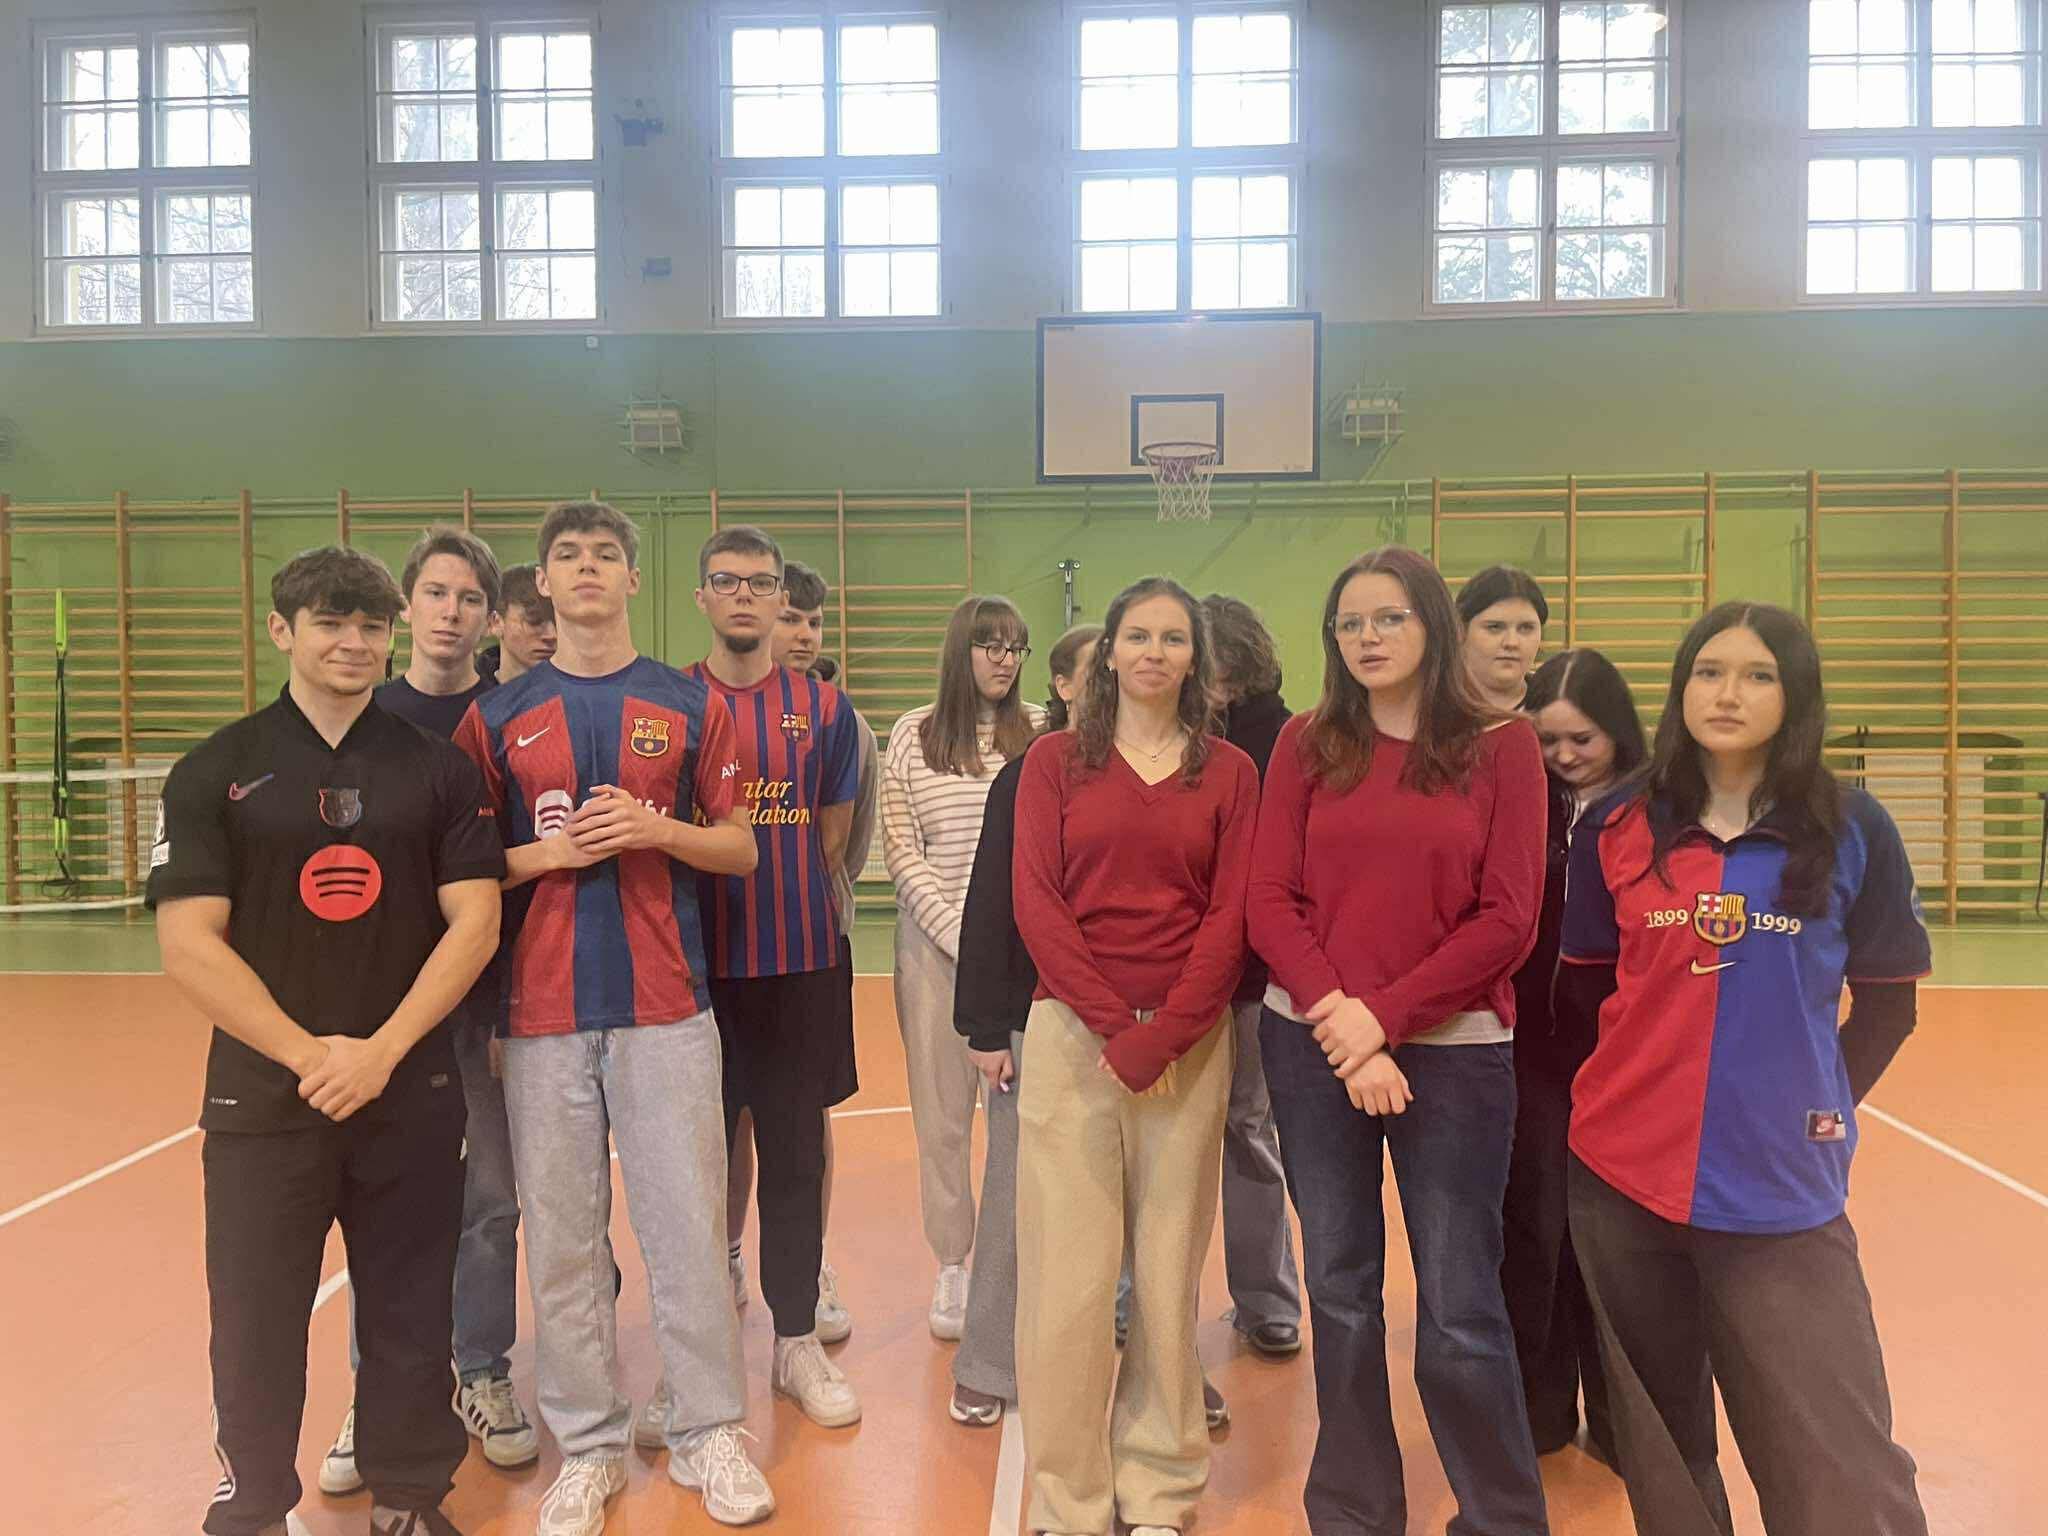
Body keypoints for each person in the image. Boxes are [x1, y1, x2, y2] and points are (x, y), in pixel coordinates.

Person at [150, 545, 505, 1536]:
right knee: (256, 1315)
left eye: (369, 626)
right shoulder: (215, 770)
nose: (353, 643)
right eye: (330, 623)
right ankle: (255, 1502)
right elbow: (188, 942)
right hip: (265, 1100)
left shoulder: (437, 769)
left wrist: (380, 1052)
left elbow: (475, 923)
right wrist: (312, 1056)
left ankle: (409, 1495)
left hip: (409, 1091)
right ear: (282, 630)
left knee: (410, 1308)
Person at [1556, 602, 1932, 1536]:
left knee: (1836, 1457)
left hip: (1782, 1189)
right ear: (1680, 688)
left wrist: (1815, 1102)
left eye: (1759, 675)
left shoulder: (1853, 829)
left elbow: (1889, 1006)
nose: (1728, 693)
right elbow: (1587, 994)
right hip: (1622, 1183)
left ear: (1796, 695)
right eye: (1709, 671)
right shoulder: (1617, 823)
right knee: (1663, 1448)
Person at [454, 502, 773, 1534]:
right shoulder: (496, 717)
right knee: (561, 1240)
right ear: (542, 583)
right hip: (541, 1015)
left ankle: (708, 1429)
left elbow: (741, 847)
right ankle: (589, 1446)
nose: (586, 568)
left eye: (604, 555)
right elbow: (464, 870)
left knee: (686, 1223)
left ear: (634, 579)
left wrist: (654, 829)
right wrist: (549, 853)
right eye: (567, 556)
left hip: (667, 1007)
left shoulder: (687, 703)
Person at [1246, 544, 1551, 1536]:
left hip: (1454, 1055)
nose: (1366, 637)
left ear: (1432, 625)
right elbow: (1269, 899)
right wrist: (1343, 1022)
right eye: (1349, 623)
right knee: (1338, 1290)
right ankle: (1353, 1508)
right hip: (1313, 1047)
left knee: (1460, 1301)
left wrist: (1380, 1018)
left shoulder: (1503, 746)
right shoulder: (1305, 742)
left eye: (1388, 618)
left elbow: (1507, 919)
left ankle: (1501, 1517)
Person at [1013, 578, 1260, 1536]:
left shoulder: (1230, 772)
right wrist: (1116, 1027)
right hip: (1074, 1039)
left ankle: (1158, 1486)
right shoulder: (1052, 763)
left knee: (1165, 1276)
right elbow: (1037, 901)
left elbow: (1231, 916)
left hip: (1189, 1047)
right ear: (1108, 653)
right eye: (1137, 636)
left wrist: (1167, 1031)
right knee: (1068, 1284)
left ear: (1197, 658)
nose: (1154, 652)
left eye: (1173, 638)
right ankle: (1067, 1498)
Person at [320, 529, 539, 1499]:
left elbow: (517, 871)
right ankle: (376, 1394)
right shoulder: (362, 719)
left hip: (487, 1003)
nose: (451, 612)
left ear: (491, 618)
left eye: (470, 598)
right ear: (408, 606)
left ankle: (481, 1370)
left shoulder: (511, 718)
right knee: (383, 1205)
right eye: (436, 594)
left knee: (490, 1202)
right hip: (384, 1010)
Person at [677, 525, 865, 1431]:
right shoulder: (669, 701)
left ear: (782, 597)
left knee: (795, 1158)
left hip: (797, 967)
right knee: (695, 1168)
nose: (745, 595)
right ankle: (697, 1358)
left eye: (761, 582)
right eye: (728, 580)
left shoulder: (825, 710)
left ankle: (795, 1341)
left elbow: (831, 835)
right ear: (702, 597)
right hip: (690, 977)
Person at [722, 561, 878, 1345]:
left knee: (802, 1124)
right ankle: (723, 1257)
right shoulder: (699, 706)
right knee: (726, 1125)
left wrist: (812, 898)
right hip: (714, 957)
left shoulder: (838, 720)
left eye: (813, 621)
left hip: (806, 951)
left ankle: (806, 1269)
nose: (804, 633)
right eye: (793, 619)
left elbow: (844, 840)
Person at [1498, 648, 1646, 1465]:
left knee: (1619, 1247)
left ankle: (1626, 1424)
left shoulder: (1657, 810)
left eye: (1580, 739)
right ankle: (1540, 1409)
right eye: (1547, 740)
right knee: (1536, 1232)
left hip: (1625, 1055)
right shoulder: (1526, 801)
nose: (1563, 756)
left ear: (1617, 730)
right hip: (1533, 1051)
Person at [949, 623, 1097, 1427]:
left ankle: (1139, 1364)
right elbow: (991, 904)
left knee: (1130, 1206)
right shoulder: (1028, 774)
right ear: (1066, 686)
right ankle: (985, 1361)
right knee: (1012, 1192)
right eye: (1100, 671)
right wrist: (984, 1026)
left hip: (1133, 1024)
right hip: (1030, 1019)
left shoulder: (1168, 773)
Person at [883, 594, 1042, 1339]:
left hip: (1023, 964)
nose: (1005, 660)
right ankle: (952, 1265)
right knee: (942, 1121)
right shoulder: (912, 735)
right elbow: (900, 850)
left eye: (1016, 647)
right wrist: (965, 938)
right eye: (990, 646)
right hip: (934, 953)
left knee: (1028, 1125)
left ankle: (1024, 1263)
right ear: (961, 651)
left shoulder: (1041, 731)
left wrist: (998, 946)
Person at [1196, 593, 1304, 1360]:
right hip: (1176, 975)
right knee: (1157, 1142)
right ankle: (1134, 1296)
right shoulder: (1173, 737)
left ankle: (1267, 1299)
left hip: (1255, 980)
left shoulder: (1288, 740)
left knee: (1249, 1131)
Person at [1457, 564, 1549, 712]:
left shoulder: (1556, 708)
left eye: (1526, 628)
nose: (1511, 642)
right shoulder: (1429, 706)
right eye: (1495, 627)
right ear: (1461, 631)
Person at [482, 562, 556, 683]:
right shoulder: (464, 691)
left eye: (560, 623)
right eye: (534, 621)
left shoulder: (584, 691)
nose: (552, 635)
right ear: (495, 622)